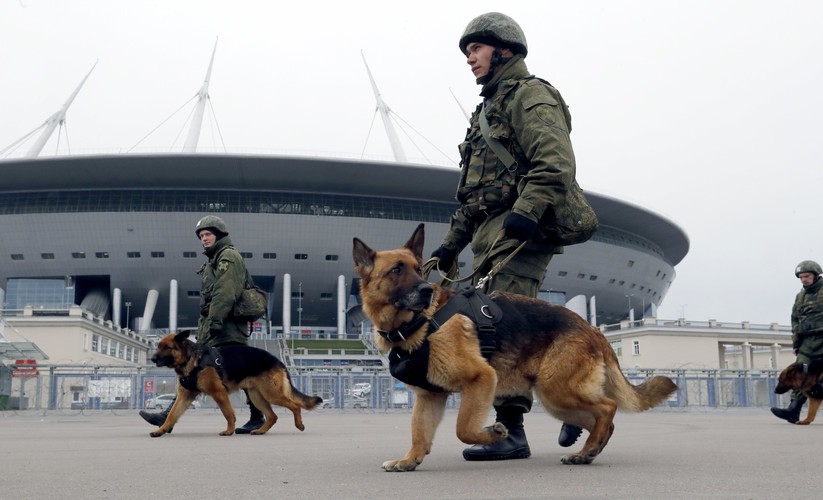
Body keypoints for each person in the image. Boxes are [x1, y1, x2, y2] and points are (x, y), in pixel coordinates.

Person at [429, 12, 582, 461]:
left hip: (520, 234)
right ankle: (575, 402)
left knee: (502, 331)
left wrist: (527, 211)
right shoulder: (486, 111)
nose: (469, 58)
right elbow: (475, 196)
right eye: (467, 51)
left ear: (505, 50)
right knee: (495, 328)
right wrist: (449, 245)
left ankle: (510, 432)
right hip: (490, 236)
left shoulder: (530, 96)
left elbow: (555, 163)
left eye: (475, 48)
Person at [140, 215, 265, 434]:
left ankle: (257, 417)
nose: (204, 239)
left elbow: (224, 293)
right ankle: (167, 417)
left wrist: (214, 323)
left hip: (227, 331)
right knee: (195, 373)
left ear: (219, 234)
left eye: (208, 234)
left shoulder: (228, 257)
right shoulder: (213, 260)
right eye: (201, 236)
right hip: (216, 328)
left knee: (243, 375)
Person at [771, 260, 823, 423]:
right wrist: (796, 343)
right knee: (798, 374)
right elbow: (795, 320)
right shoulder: (800, 296)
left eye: (806, 276)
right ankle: (793, 410)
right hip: (807, 342)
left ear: (816, 275)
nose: (804, 280)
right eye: (801, 277)